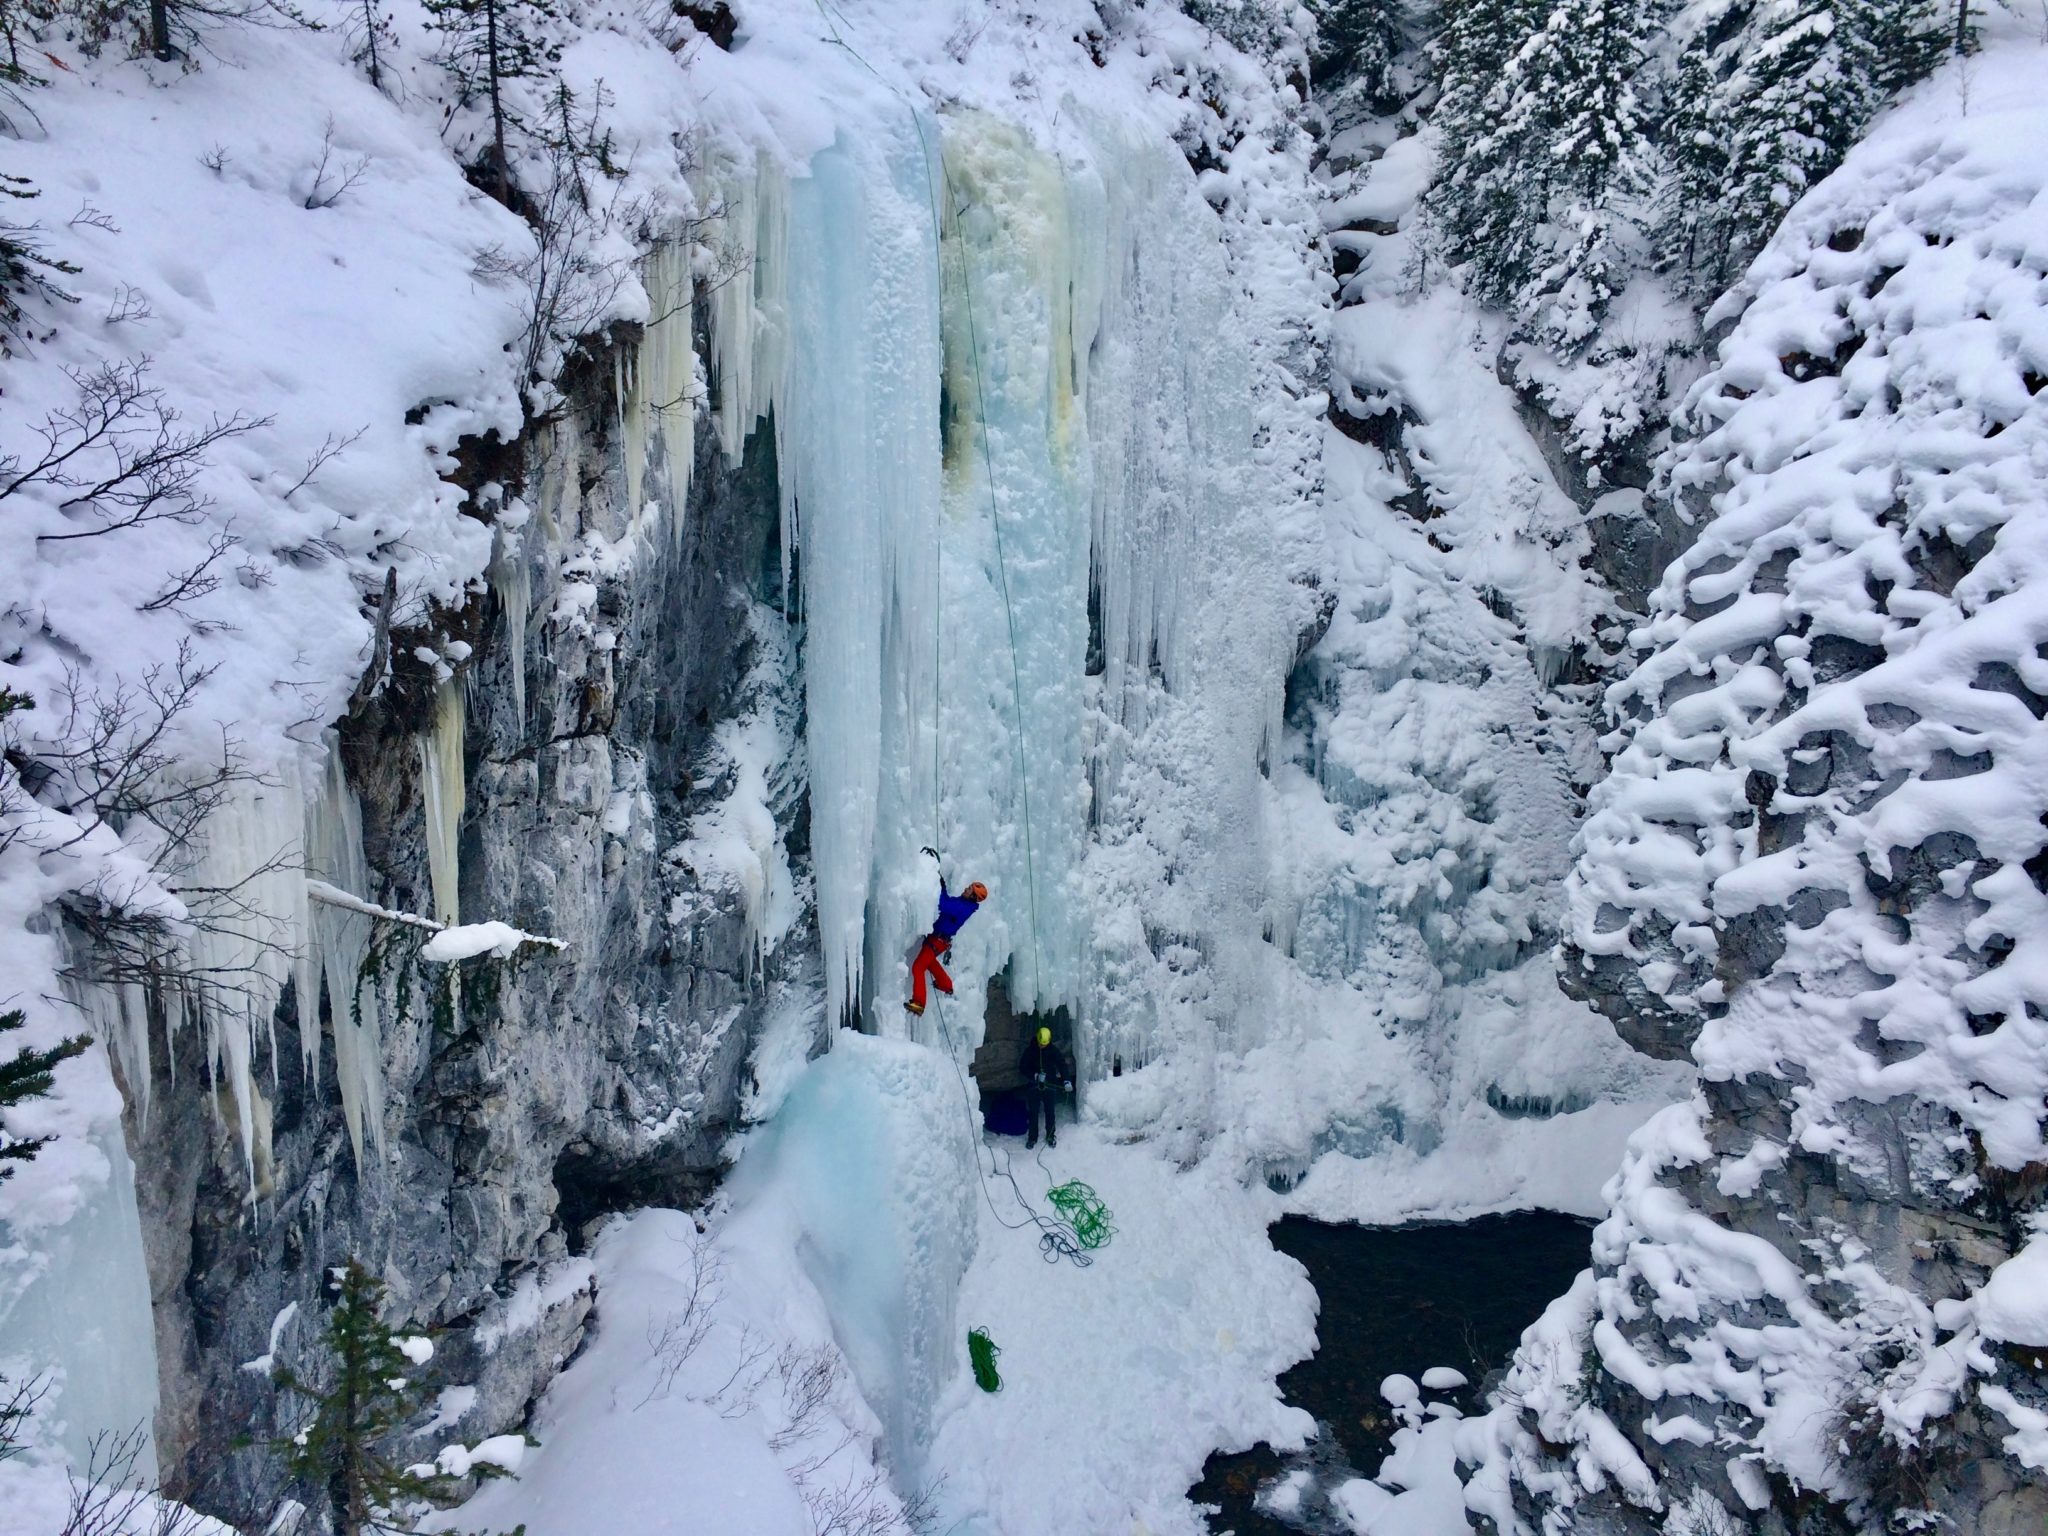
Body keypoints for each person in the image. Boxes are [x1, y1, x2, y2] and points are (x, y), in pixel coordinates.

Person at [906, 851, 986, 1016]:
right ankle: (946, 984)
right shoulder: (962, 903)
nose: (966, 888)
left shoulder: (964, 907)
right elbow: (947, 902)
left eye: (969, 888)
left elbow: (943, 904)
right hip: (938, 940)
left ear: (973, 896)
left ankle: (919, 1003)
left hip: (937, 941)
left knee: (918, 967)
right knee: (928, 962)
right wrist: (941, 884)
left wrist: (939, 884)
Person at [1017, 1024, 1072, 1149]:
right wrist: (1035, 1075)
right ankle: (1032, 1138)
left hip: (1050, 1083)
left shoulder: (1053, 1050)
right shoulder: (1031, 1050)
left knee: (1050, 1112)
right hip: (1034, 1085)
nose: (1042, 1046)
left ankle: (1050, 1136)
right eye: (1041, 1044)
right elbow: (1023, 1067)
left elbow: (1062, 1065)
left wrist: (1067, 1081)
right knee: (1033, 1112)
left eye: (1044, 1044)